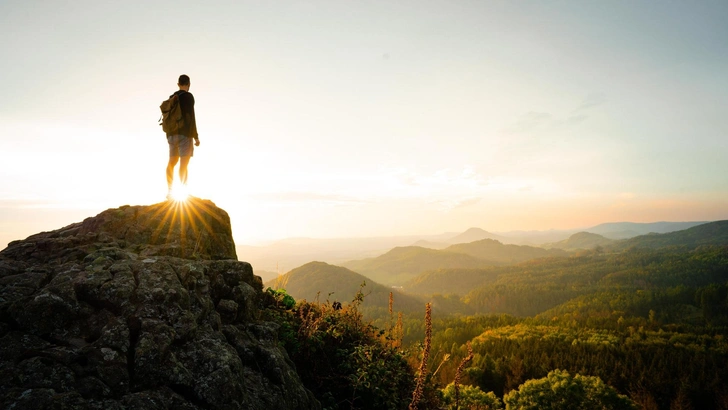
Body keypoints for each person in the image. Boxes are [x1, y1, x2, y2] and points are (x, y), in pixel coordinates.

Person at [166, 74, 200, 200]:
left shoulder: (172, 97)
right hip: (184, 134)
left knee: (171, 163)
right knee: (184, 164)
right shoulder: (188, 97)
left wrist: (169, 134)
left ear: (178, 84)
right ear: (189, 84)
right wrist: (195, 136)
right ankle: (184, 193)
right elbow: (191, 117)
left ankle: (170, 192)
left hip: (171, 135)